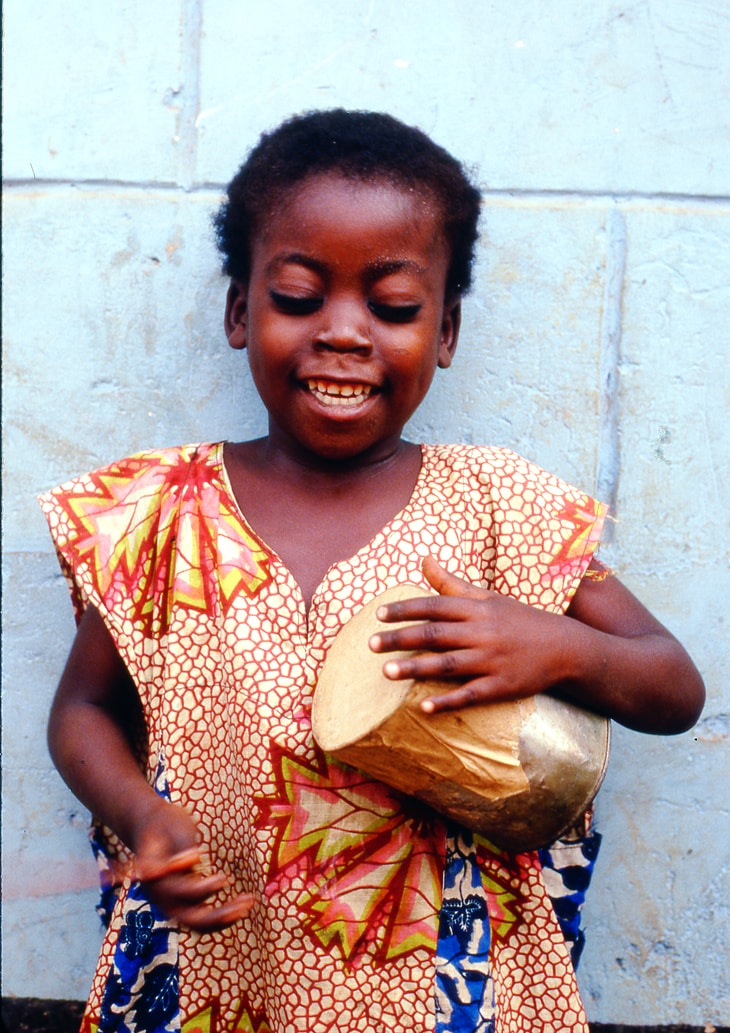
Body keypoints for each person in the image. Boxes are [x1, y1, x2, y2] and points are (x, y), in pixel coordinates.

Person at [40, 109, 705, 1033]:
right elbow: (81, 712)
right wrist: (141, 814)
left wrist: (550, 645)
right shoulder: (163, 513)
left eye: (392, 307)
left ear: (444, 331)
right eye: (299, 296)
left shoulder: (497, 505)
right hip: (222, 968)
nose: (345, 332)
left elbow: (672, 685)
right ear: (240, 311)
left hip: (450, 986)